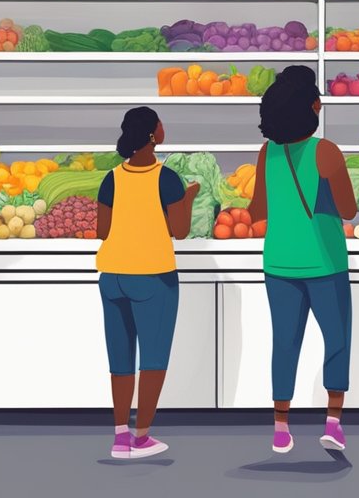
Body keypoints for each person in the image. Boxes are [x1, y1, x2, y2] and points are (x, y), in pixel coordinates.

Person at [248, 66, 359, 454]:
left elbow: (257, 209)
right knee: (337, 339)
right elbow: (348, 209)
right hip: (325, 262)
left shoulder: (268, 152)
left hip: (278, 262)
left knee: (285, 342)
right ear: (313, 107)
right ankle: (333, 423)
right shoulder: (324, 151)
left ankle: (281, 427)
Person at [95, 107, 200, 460]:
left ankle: (119, 436)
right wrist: (190, 197)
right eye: (160, 124)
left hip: (112, 277)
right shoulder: (167, 178)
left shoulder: (111, 177)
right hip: (153, 276)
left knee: (120, 359)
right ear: (153, 135)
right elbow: (181, 231)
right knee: (153, 359)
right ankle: (142, 437)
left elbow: (102, 231)